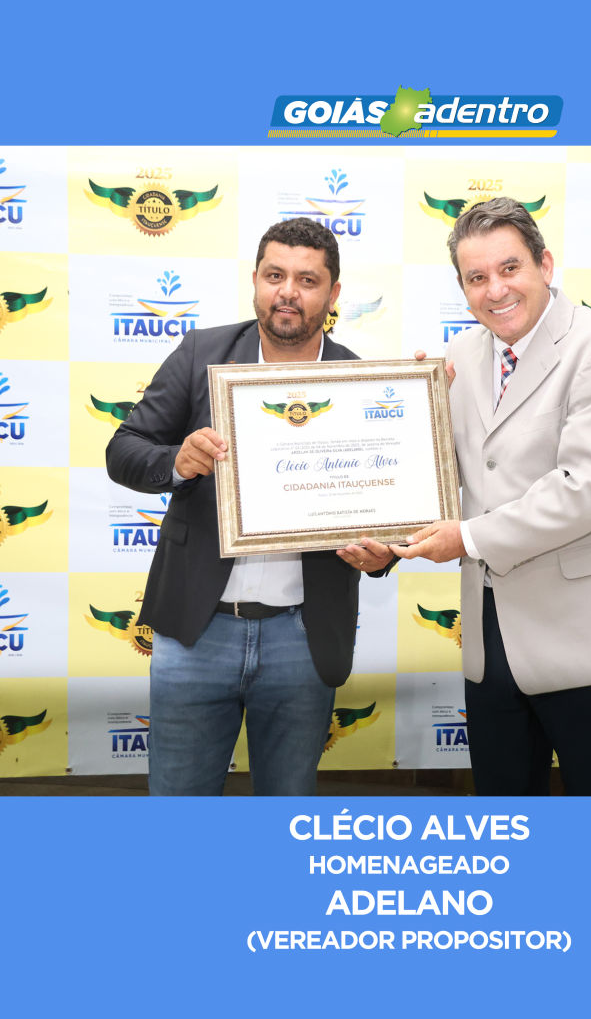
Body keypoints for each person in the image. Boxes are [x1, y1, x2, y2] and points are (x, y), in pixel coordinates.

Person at [107, 218, 395, 796]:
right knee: (180, 811)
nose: (288, 292)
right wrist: (177, 461)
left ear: (333, 293)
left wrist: (384, 553)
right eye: (275, 275)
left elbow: (388, 507)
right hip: (197, 631)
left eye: (307, 280)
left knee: (286, 813)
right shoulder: (201, 353)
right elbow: (124, 450)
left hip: (303, 638)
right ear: (256, 282)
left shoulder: (362, 381)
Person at [395, 197, 591, 796]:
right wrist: (407, 411)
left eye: (509, 268)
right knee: (503, 818)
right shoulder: (459, 356)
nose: (495, 290)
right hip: (489, 637)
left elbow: (589, 487)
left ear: (545, 265)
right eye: (476, 277)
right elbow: (439, 473)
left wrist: (467, 537)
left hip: (581, 635)